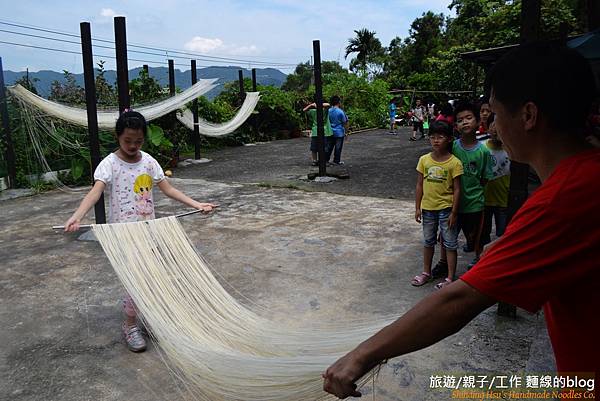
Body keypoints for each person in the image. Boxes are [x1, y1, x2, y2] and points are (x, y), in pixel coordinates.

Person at [322, 42, 599, 399]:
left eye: (495, 115)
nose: (491, 126)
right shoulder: (586, 177)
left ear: (528, 116)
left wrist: (360, 357)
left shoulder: (564, 200)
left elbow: (459, 301)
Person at [63, 110, 218, 352]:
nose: (133, 146)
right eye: (128, 141)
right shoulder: (109, 164)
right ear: (117, 136)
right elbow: (95, 193)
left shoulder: (148, 162)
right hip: (124, 236)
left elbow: (168, 190)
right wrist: (77, 216)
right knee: (134, 282)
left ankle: (146, 320)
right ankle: (130, 325)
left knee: (150, 278)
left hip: (148, 232)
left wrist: (197, 204)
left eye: (138, 141)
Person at [434, 101, 493, 276]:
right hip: (451, 204)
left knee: (476, 237)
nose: (465, 122)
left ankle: (478, 262)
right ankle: (443, 263)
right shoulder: (452, 147)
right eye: (460, 120)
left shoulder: (483, 152)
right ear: (456, 125)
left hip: (474, 204)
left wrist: (473, 193)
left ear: (478, 121)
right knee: (446, 236)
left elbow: (484, 179)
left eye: (469, 118)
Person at [412, 121, 463, 289]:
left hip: (446, 209)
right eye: (432, 137)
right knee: (428, 241)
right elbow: (419, 184)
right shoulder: (424, 160)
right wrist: (417, 207)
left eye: (440, 137)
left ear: (449, 139)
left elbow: (457, 189)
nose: (435, 141)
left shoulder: (454, 162)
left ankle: (449, 278)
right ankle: (426, 272)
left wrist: (454, 212)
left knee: (449, 243)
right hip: (428, 209)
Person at [480, 121, 510, 245]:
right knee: (483, 232)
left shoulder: (511, 149)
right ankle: (480, 257)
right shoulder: (482, 147)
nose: (496, 129)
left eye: (500, 124)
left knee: (502, 235)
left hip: (503, 198)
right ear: (488, 128)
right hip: (484, 198)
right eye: (494, 125)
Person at [303, 101, 332, 166]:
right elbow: (328, 105)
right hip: (322, 131)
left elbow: (304, 110)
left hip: (316, 131)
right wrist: (318, 105)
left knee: (314, 148)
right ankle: (321, 160)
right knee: (323, 147)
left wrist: (311, 105)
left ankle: (315, 160)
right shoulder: (324, 110)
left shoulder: (313, 111)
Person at [328, 95, 349, 165]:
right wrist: (346, 132)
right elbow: (345, 122)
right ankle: (336, 161)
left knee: (329, 147)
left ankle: (326, 160)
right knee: (338, 148)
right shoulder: (340, 112)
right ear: (338, 102)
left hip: (330, 131)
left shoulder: (328, 111)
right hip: (339, 132)